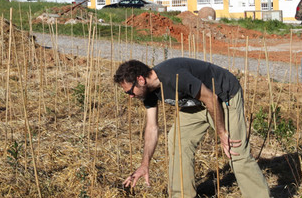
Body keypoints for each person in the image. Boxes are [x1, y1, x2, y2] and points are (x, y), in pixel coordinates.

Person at [114, 58, 268, 198]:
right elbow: (152, 128)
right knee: (177, 140)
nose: (130, 96)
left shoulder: (173, 76)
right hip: (197, 102)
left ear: (140, 79)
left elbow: (211, 98)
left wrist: (221, 133)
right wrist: (144, 165)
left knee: (235, 150)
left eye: (129, 91)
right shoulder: (148, 92)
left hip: (222, 96)